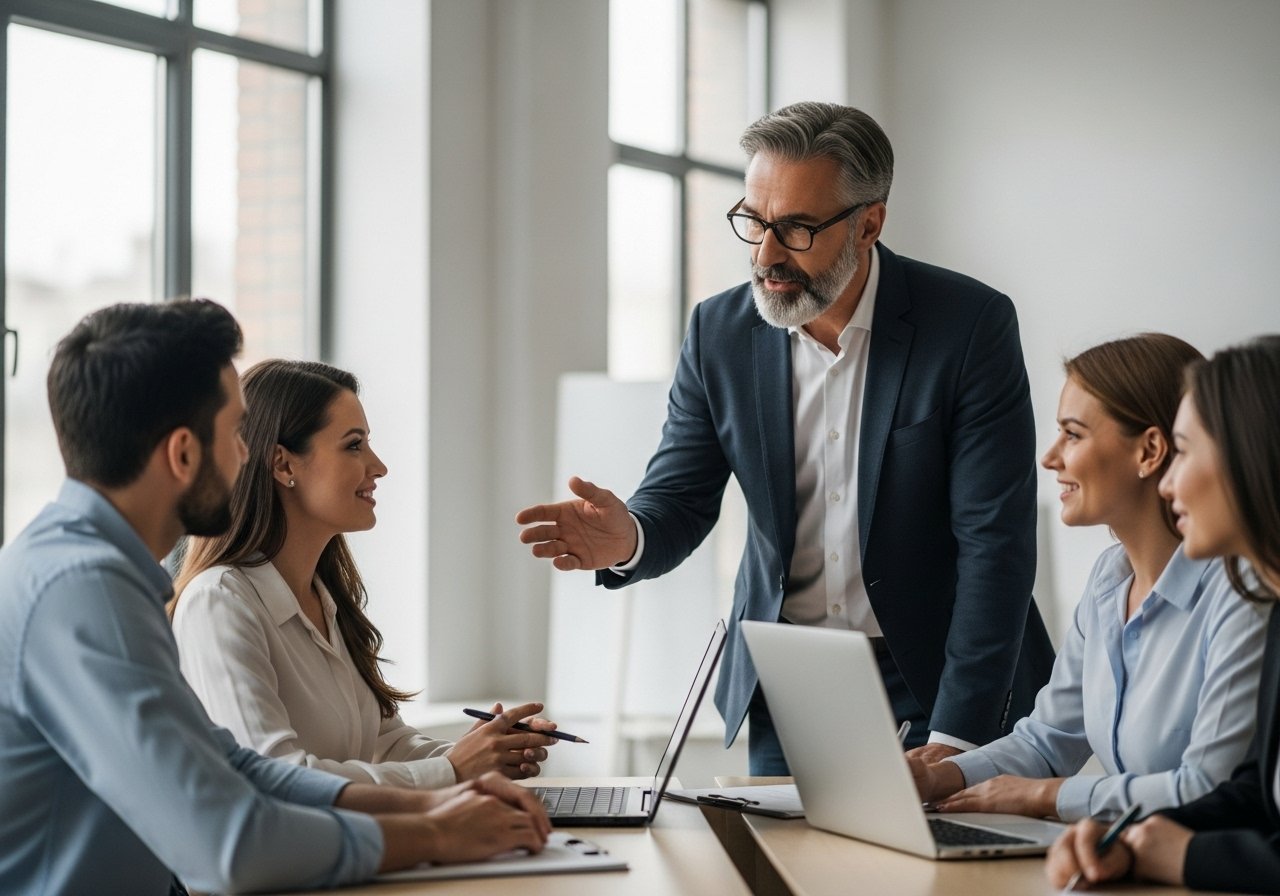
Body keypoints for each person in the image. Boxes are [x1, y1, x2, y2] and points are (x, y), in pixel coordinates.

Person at [516, 101, 1055, 773]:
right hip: (790, 681)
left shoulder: (969, 325)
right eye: (754, 221)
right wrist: (628, 539)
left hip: (940, 677)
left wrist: (959, 735)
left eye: (796, 228)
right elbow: (679, 497)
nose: (767, 254)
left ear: (869, 224)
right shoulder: (719, 331)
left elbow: (994, 544)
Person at [0, 301, 548, 896]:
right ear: (183, 453)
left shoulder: (93, 575)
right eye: (236, 433)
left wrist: (437, 805)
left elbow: (240, 768)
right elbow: (228, 845)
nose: (247, 454)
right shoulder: (85, 593)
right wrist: (438, 835)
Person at [909, 334, 1267, 821]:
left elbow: (1211, 789)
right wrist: (937, 776)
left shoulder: (1242, 591)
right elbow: (1047, 740)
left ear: (1150, 452)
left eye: (1072, 434)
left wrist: (1046, 797)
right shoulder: (1108, 579)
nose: (1049, 457)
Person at [171, 359, 558, 788]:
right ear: (283, 465)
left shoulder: (325, 598)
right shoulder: (220, 602)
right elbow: (276, 777)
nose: (378, 466)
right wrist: (452, 769)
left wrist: (484, 751)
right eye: (354, 445)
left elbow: (386, 743)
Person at [1047, 335, 1280, 892]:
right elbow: (1254, 797)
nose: (1170, 483)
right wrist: (1128, 842)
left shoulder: (1247, 598)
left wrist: (1185, 857)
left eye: (1186, 451)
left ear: (1251, 459)